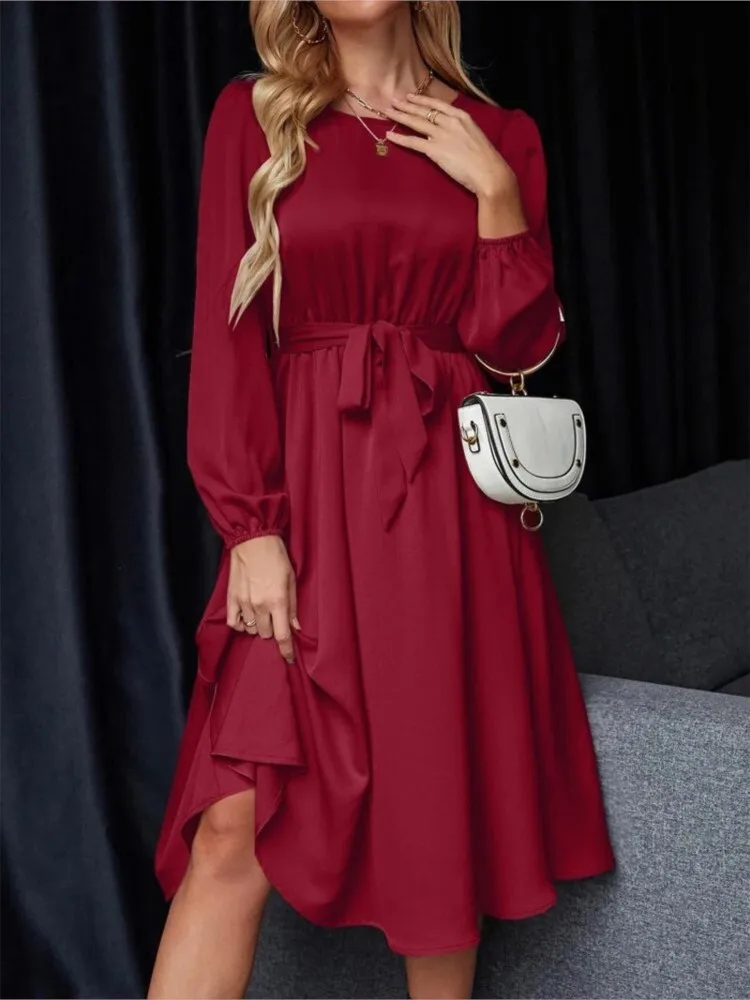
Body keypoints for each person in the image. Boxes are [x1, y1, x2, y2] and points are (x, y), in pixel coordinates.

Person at [148, 1, 616, 997]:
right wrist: (251, 529)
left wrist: (496, 196)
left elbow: (515, 344)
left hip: (445, 515)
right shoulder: (256, 118)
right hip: (304, 507)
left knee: (435, 826)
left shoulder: (501, 136)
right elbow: (229, 337)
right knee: (231, 823)